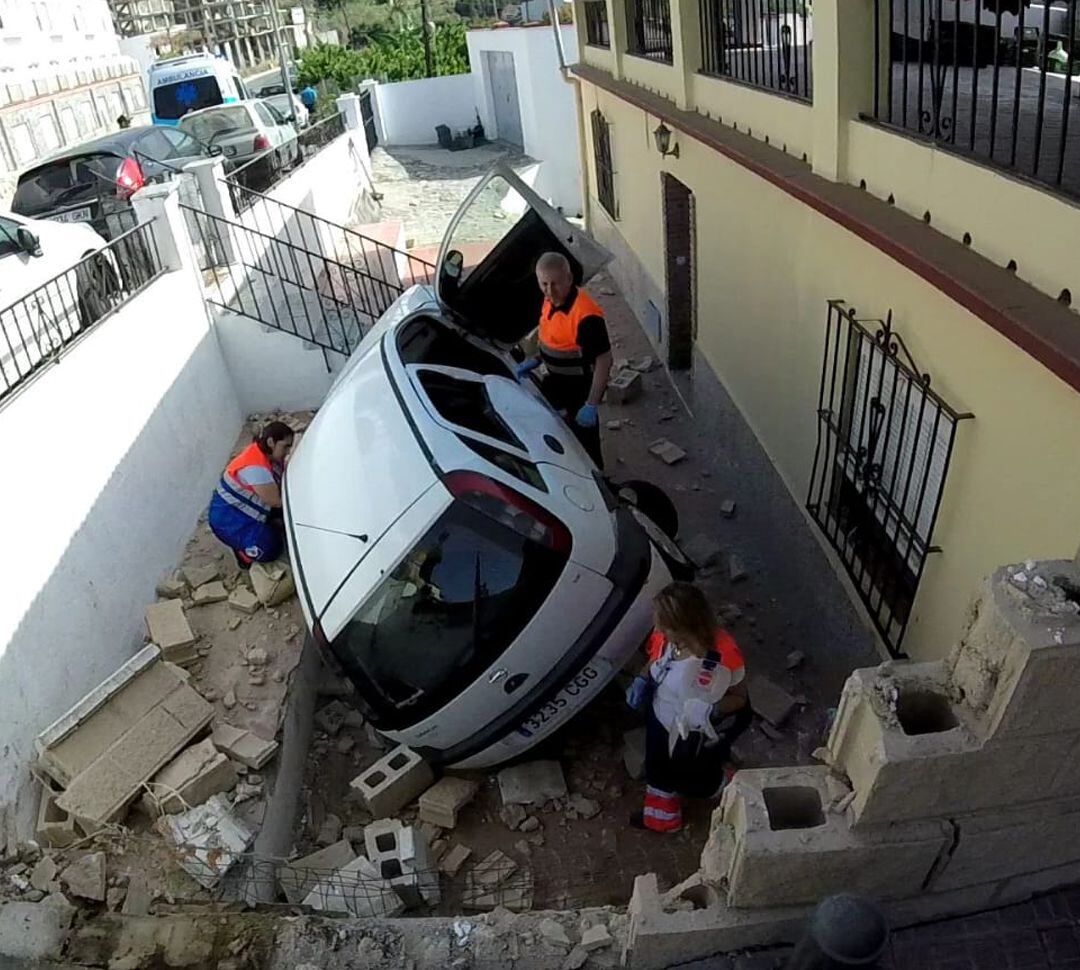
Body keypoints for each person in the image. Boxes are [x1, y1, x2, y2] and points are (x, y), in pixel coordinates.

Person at [625, 582, 751, 833]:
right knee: (658, 769)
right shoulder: (666, 637)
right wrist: (642, 679)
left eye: (664, 624)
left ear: (684, 626)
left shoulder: (722, 655)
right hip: (661, 719)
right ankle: (662, 819)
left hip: (693, 731)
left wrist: (711, 709)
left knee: (694, 779)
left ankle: (724, 788)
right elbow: (655, 660)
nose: (658, 628)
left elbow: (740, 699)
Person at [515, 251, 613, 467]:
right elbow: (556, 338)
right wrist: (537, 358)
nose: (550, 291)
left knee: (587, 445)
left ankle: (599, 480)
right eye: (544, 284)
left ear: (569, 279)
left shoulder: (586, 316)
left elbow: (604, 361)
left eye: (555, 284)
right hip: (556, 381)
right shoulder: (549, 300)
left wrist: (591, 404)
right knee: (563, 435)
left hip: (580, 390)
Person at [208, 421, 294, 568]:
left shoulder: (262, 454)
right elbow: (276, 501)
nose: (288, 452)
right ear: (271, 442)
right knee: (272, 549)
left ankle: (266, 526)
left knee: (281, 521)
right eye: (285, 446)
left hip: (238, 509)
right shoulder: (256, 469)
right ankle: (244, 556)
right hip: (229, 521)